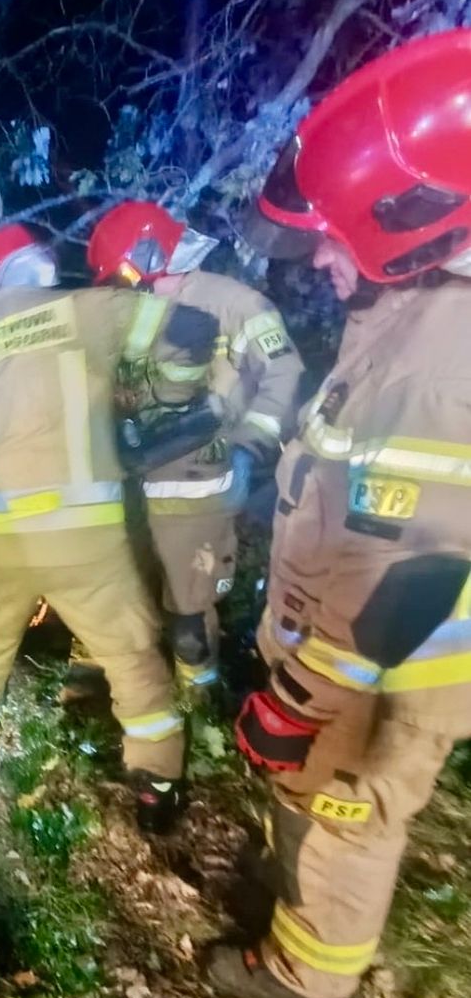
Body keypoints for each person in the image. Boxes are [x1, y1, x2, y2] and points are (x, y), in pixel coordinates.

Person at [206, 28, 471, 998]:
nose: (320, 255)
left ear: (416, 216)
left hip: (385, 660)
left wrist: (303, 693)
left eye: (336, 231)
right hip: (360, 649)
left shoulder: (444, 356)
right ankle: (318, 931)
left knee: (345, 808)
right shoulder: (412, 315)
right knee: (328, 800)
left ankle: (310, 974)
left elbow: (409, 560)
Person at [0, 223, 219, 832]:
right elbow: (192, 331)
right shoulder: (84, 310)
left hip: (2, 541)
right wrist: (171, 402)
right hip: (83, 537)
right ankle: (156, 784)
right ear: (35, 264)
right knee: (129, 654)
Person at [86, 201, 304, 690]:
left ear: (149, 257)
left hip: (206, 479)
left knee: (189, 607)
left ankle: (200, 701)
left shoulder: (237, 305)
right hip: (147, 476)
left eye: (127, 276)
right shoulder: (144, 312)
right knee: (145, 591)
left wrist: (249, 446)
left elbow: (284, 371)